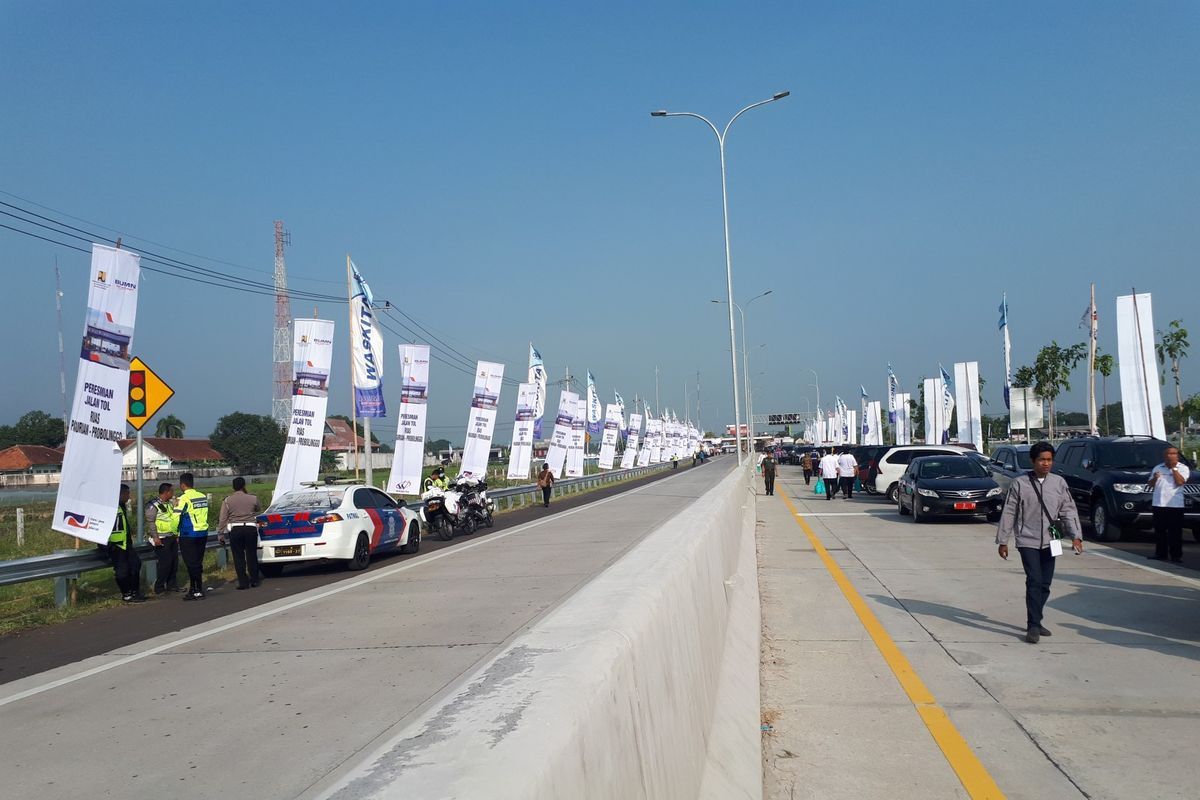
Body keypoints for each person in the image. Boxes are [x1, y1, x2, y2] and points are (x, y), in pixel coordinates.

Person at [996, 441, 1083, 644]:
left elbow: (1068, 510)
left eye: (1049, 460)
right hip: (1027, 539)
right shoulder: (1020, 483)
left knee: (1045, 583)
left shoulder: (1059, 483)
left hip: (1052, 540)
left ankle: (1037, 618)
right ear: (1033, 461)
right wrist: (1003, 540)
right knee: (1034, 580)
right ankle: (1033, 625)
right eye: (1042, 460)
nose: (1046, 464)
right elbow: (1009, 512)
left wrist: (1075, 536)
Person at [219, 477, 263, 589]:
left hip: (236, 529)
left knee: (238, 556)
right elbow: (258, 508)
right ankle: (254, 580)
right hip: (250, 528)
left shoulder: (227, 500)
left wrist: (221, 533)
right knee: (251, 554)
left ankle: (243, 582)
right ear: (244, 485)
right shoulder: (253, 498)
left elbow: (223, 518)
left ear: (233, 487)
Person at [1147, 445, 1189, 563]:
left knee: (1175, 531)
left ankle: (1176, 555)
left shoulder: (1183, 468)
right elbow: (1150, 484)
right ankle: (1160, 553)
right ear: (1164, 456)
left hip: (1175, 504)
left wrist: (1174, 469)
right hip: (1159, 504)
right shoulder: (1158, 467)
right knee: (1160, 530)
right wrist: (1155, 478)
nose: (1170, 456)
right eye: (1168, 454)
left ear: (1177, 456)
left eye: (1173, 454)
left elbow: (1180, 482)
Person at [174, 472, 210, 600]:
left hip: (188, 534)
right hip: (203, 532)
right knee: (197, 562)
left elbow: (175, 517)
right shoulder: (202, 496)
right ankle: (195, 588)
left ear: (182, 485)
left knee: (191, 563)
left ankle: (197, 590)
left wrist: (174, 532)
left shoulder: (183, 498)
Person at [109, 484, 145, 603]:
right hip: (115, 545)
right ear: (121, 494)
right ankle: (126, 594)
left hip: (126, 543)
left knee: (135, 564)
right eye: (127, 494)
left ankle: (135, 592)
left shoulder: (122, 506)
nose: (128, 497)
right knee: (122, 571)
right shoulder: (111, 507)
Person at [146, 482, 180, 594]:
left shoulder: (169, 503)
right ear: (166, 492)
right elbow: (151, 522)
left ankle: (172, 585)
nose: (173, 493)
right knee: (166, 563)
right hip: (161, 537)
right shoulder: (153, 504)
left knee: (174, 562)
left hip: (171, 536)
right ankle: (159, 587)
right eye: (172, 491)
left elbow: (172, 519)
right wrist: (155, 537)